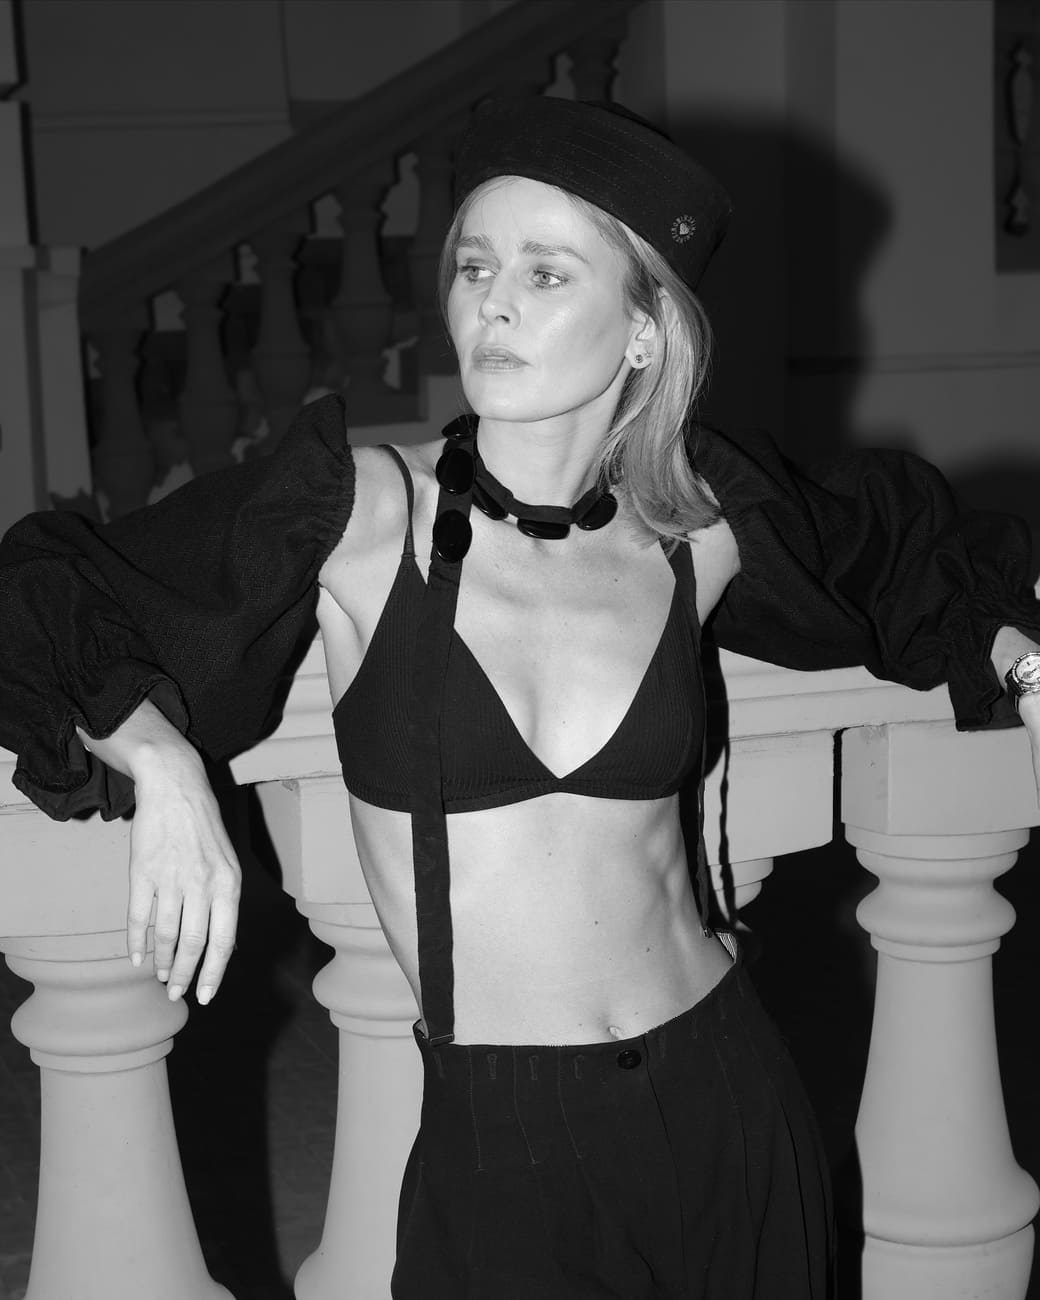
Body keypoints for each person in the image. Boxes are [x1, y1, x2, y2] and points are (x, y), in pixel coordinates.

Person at [2, 96, 1040, 1298]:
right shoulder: (363, 515)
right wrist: (160, 756)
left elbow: (900, 554)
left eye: (544, 273)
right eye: (474, 266)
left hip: (724, 1086)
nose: (490, 303)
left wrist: (1023, 664)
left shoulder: (693, 530)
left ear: (643, 329)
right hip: (503, 1130)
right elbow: (44, 591)